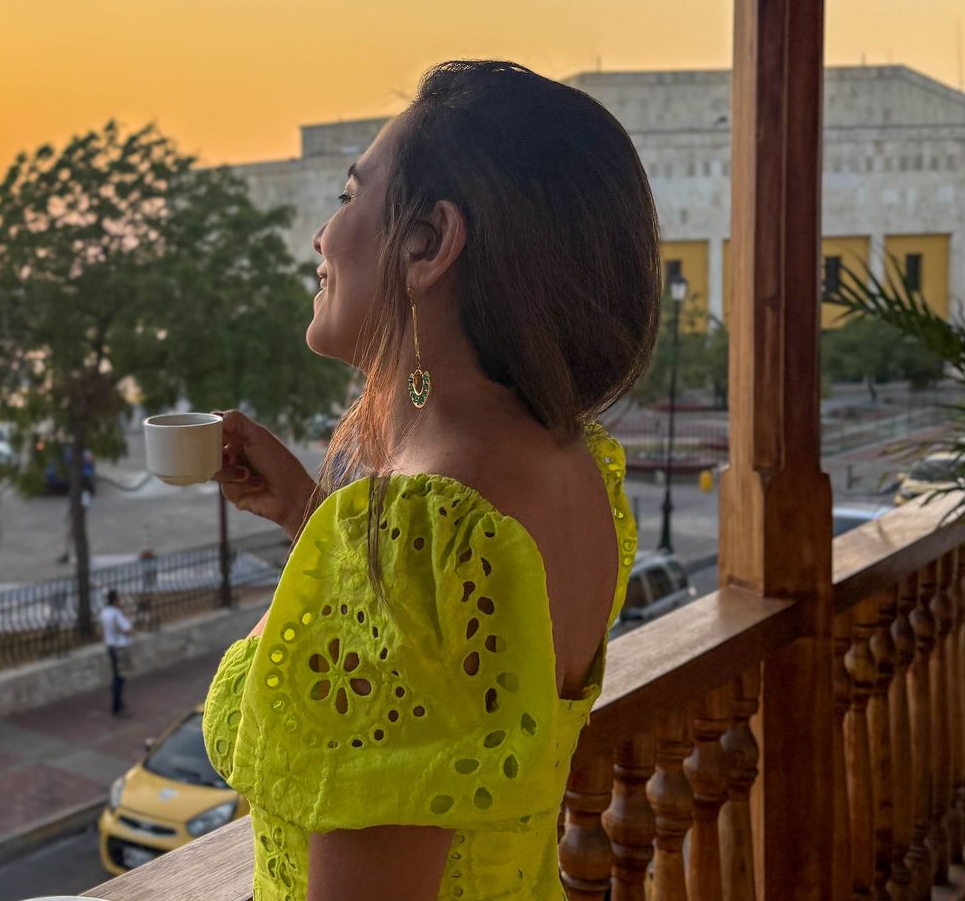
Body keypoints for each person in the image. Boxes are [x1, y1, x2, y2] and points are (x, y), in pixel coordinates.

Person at [201, 60, 659, 901]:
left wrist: (353, 543)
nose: (323, 238)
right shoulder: (574, 467)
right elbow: (453, 676)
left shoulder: (419, 537)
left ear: (428, 244)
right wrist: (310, 516)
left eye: (349, 196)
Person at [100, 588, 134, 717]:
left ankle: (117, 701)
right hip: (119, 647)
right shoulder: (116, 614)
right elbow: (128, 630)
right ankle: (117, 704)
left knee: (116, 675)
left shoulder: (104, 613)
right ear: (115, 600)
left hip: (110, 646)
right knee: (120, 677)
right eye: (118, 599)